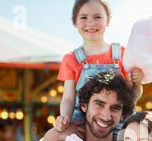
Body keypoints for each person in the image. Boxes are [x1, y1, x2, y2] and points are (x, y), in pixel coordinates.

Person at [56, 0, 143, 132]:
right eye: (84, 17)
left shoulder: (122, 54)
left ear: (108, 20)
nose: (91, 23)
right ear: (74, 21)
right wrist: (64, 118)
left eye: (97, 17)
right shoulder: (71, 59)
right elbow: (68, 98)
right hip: (83, 124)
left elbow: (134, 96)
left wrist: (138, 82)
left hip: (118, 123)